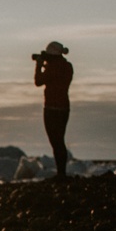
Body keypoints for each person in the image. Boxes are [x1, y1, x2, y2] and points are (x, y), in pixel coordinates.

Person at [34, 41, 74, 178]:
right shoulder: (68, 66)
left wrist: (39, 66)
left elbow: (38, 81)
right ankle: (61, 172)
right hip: (64, 108)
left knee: (55, 142)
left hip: (51, 109)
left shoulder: (53, 68)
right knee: (59, 140)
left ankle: (61, 173)